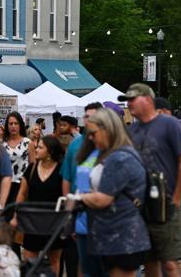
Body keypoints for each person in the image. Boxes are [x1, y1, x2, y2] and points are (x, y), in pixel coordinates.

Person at [121, 83, 181, 277]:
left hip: (166, 202)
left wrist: (177, 196)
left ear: (147, 100)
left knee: (169, 263)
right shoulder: (132, 130)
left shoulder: (170, 124)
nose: (129, 104)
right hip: (141, 205)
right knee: (149, 261)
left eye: (132, 99)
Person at [79, 108, 150, 277]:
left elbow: (103, 199)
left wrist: (79, 197)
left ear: (107, 130)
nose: (90, 138)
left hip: (120, 237)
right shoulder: (118, 154)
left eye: (93, 133)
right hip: (116, 235)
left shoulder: (119, 158)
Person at [61, 101, 104, 277]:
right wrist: (68, 215)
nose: (88, 120)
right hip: (80, 217)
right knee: (83, 267)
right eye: (86, 116)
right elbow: (67, 179)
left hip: (104, 220)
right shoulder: (77, 145)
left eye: (93, 116)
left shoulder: (110, 147)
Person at [13, 135, 65, 274]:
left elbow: (66, 195)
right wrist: (16, 216)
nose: (36, 149)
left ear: (50, 152)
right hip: (32, 221)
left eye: (40, 147)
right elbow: (22, 194)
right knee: (29, 260)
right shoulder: (31, 168)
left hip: (54, 221)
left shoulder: (61, 170)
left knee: (54, 260)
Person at [2, 112, 31, 206]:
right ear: (7, 126)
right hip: (6, 183)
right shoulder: (2, 144)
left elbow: (33, 165)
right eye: (10, 124)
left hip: (22, 184)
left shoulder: (27, 142)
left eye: (16, 123)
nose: (13, 126)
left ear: (20, 125)